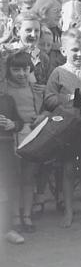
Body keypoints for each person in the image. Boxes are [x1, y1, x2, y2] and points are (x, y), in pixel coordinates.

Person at [44, 28, 81, 228]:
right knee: (67, 170)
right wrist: (68, 99)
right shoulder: (58, 73)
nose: (79, 54)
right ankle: (67, 210)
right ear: (64, 51)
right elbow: (48, 100)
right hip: (66, 127)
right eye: (74, 50)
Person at [5, 51, 48, 233]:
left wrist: (41, 116)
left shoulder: (34, 88)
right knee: (14, 178)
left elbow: (45, 110)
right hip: (11, 136)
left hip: (31, 134)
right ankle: (16, 216)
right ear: (8, 71)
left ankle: (27, 216)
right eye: (16, 70)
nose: (21, 73)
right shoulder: (4, 89)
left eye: (25, 69)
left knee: (29, 177)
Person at [0, 83, 25, 244]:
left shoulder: (7, 99)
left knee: (4, 190)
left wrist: (13, 124)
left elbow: (20, 122)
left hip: (4, 149)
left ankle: (7, 229)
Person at [5, 11, 50, 91]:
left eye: (36, 31)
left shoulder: (43, 57)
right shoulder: (6, 53)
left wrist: (46, 89)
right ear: (17, 31)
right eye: (28, 30)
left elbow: (48, 83)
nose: (33, 35)